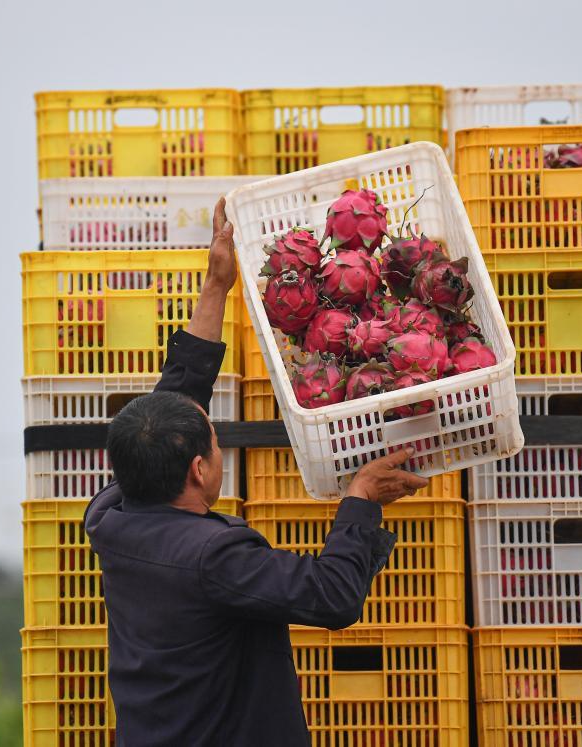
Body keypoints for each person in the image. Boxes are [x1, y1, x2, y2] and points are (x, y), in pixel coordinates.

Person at [84, 198, 430, 746]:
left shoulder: (113, 515)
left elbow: (175, 403)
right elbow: (331, 597)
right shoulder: (211, 560)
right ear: (198, 469)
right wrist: (361, 498)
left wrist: (217, 286)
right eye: (217, 445)